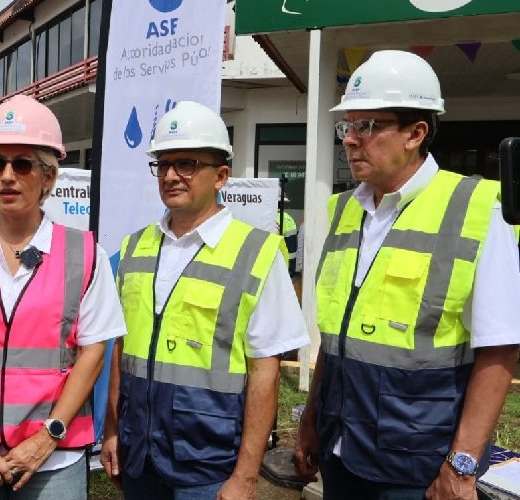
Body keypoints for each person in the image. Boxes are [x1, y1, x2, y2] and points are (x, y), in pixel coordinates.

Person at [294, 50, 520, 499]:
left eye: (368, 126)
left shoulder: (473, 210)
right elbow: (338, 336)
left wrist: (461, 464)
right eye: (348, 126)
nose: (351, 140)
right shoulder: (343, 211)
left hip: (418, 464)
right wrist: (310, 419)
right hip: (342, 452)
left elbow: (501, 347)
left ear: (416, 133)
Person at [101, 101, 309, 500]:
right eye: (163, 164)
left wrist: (247, 476)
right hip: (140, 457)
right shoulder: (135, 247)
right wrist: (112, 431)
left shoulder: (257, 252)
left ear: (222, 176)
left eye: (188, 164)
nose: (171, 175)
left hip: (209, 467)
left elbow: (265, 370)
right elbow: (122, 348)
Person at [0, 94, 126, 499]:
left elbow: (93, 352)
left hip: (53, 459)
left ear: (49, 177)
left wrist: (47, 438)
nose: (7, 176)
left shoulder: (83, 254)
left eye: (23, 164)